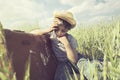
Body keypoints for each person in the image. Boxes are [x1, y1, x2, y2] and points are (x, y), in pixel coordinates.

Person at [30, 10, 80, 80]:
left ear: (68, 30)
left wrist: (66, 44)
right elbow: (32, 33)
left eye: (63, 31)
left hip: (77, 59)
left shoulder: (70, 39)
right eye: (57, 30)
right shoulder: (52, 35)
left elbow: (74, 60)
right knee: (59, 77)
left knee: (88, 67)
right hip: (62, 63)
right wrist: (48, 29)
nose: (59, 33)